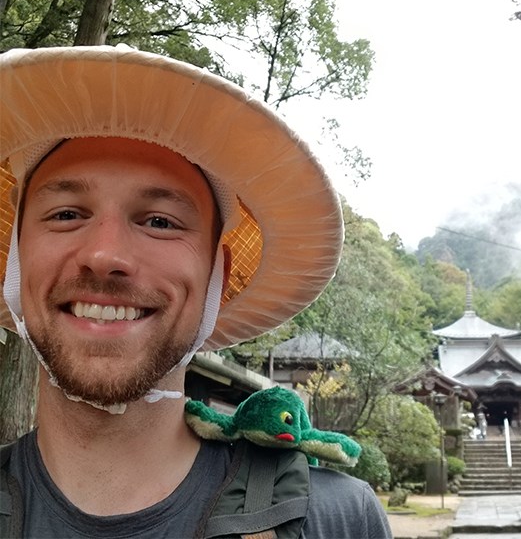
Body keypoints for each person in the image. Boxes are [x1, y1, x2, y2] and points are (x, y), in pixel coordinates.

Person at [0, 45, 392, 538]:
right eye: (66, 214)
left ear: (218, 278)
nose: (105, 255)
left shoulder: (334, 520)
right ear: (15, 259)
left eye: (160, 221)